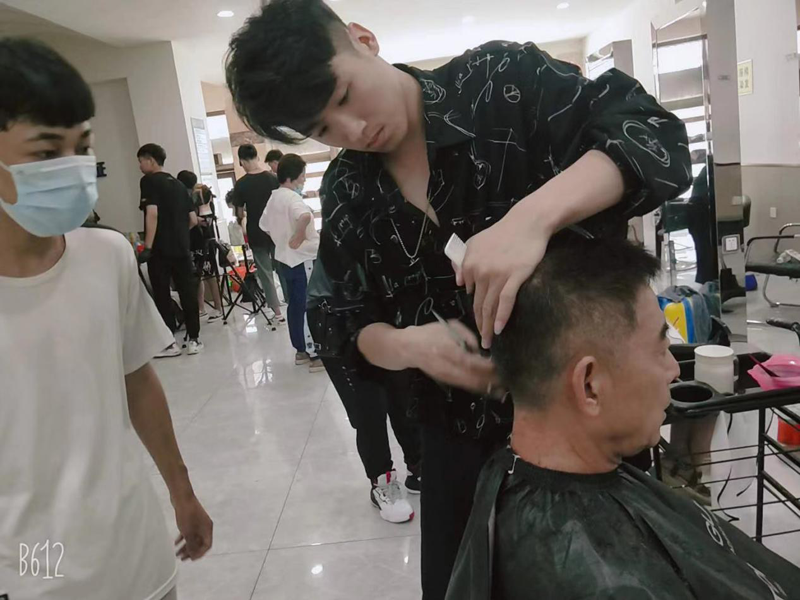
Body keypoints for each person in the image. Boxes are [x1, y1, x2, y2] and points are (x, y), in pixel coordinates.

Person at [226, 1, 692, 596]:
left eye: (344, 96)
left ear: (362, 39)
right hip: (455, 440)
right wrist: (406, 346)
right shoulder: (349, 190)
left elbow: (655, 137)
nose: (353, 130)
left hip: (587, 421)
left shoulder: (501, 84)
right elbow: (339, 321)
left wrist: (535, 218)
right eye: (323, 130)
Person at [446, 237, 800, 599]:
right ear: (590, 386)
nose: (674, 370)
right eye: (661, 349)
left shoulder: (503, 477)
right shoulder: (605, 583)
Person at [0, 38, 213, 600]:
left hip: (137, 548)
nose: (71, 169)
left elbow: (137, 380)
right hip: (31, 568)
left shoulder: (106, 254)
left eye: (82, 147)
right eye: (46, 152)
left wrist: (182, 492)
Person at [307, 259, 421, 523]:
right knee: (369, 405)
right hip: (338, 313)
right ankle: (382, 481)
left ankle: (418, 466)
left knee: (403, 393)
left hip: (383, 309)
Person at [138, 143, 204, 356]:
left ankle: (169, 343)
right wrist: (179, 234)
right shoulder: (178, 184)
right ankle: (194, 340)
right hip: (182, 248)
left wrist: (148, 246)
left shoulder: (148, 181)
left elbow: (152, 213)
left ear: (150, 160)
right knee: (187, 292)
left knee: (162, 294)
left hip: (159, 250)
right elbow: (193, 219)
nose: (140, 166)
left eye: (141, 161)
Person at [261, 153, 324, 372]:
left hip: (285, 260)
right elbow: (304, 217)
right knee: (308, 304)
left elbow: (264, 226)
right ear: (293, 176)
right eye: (303, 176)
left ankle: (300, 350)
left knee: (295, 305)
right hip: (302, 259)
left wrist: (282, 240)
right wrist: (298, 236)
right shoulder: (292, 198)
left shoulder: (274, 198)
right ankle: (314, 354)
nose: (304, 180)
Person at [231, 144, 286, 321]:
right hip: (276, 230)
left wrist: (243, 216)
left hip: (256, 231)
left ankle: (277, 313)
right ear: (258, 157)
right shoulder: (273, 179)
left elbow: (239, 213)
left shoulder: (241, 184)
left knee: (265, 272)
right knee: (283, 267)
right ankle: (291, 302)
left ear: (241, 161)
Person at [177, 170, 224, 323]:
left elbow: (206, 219)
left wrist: (195, 220)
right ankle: (201, 308)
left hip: (204, 239)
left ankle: (218, 307)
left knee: (209, 274)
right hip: (193, 239)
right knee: (197, 275)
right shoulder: (188, 195)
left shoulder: (202, 194)